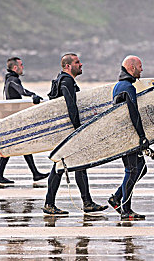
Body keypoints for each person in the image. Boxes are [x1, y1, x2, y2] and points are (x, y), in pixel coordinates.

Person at [42, 53, 108, 215]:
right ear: (68, 66)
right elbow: (71, 106)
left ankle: (87, 202)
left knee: (78, 165)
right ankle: (49, 204)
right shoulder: (66, 81)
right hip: (68, 131)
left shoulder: (61, 80)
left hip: (63, 130)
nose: (81, 64)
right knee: (59, 166)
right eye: (77, 62)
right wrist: (78, 128)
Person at [107, 56, 154, 220]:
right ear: (131, 68)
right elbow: (134, 114)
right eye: (140, 66)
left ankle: (116, 198)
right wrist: (142, 137)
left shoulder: (120, 86)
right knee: (132, 171)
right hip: (129, 137)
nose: (142, 69)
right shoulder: (127, 88)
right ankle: (126, 209)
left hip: (125, 136)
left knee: (140, 169)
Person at [0, 57, 48, 184]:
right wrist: (32, 95)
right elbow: (21, 91)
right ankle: (1, 175)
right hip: (14, 119)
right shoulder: (13, 79)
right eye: (21, 65)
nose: (23, 67)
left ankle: (34, 173)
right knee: (17, 145)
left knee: (20, 145)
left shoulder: (9, 79)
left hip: (13, 117)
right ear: (15, 67)